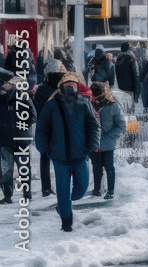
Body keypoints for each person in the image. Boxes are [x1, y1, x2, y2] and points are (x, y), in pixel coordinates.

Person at [34, 72, 100, 232]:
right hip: (59, 156)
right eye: (67, 84)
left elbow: (93, 125)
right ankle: (66, 221)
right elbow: (42, 128)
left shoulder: (84, 102)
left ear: (77, 86)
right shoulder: (51, 105)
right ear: (61, 86)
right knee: (62, 191)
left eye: (73, 84)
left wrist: (91, 144)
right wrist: (44, 149)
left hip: (80, 154)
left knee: (81, 188)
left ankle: (65, 205)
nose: (70, 87)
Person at [1, 71, 37, 203]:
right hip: (9, 139)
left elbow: (33, 116)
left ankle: (22, 195)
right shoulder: (18, 96)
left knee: (15, 168)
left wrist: (21, 125)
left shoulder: (22, 96)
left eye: (5, 83)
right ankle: (13, 195)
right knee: (9, 169)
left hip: (16, 139)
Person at [33, 59, 66, 197]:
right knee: (61, 158)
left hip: (44, 128)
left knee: (45, 158)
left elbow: (36, 108)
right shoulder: (61, 90)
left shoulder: (41, 89)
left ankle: (46, 188)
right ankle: (61, 186)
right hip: (59, 128)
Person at [88, 82, 125, 199]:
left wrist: (108, 134)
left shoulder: (112, 106)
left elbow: (122, 126)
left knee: (109, 167)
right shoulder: (88, 105)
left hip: (107, 143)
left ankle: (110, 191)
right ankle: (97, 190)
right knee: (96, 167)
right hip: (94, 143)